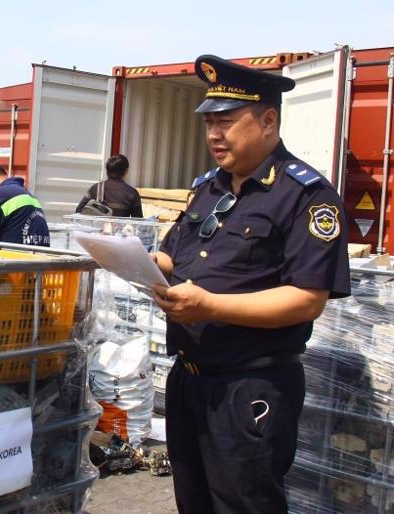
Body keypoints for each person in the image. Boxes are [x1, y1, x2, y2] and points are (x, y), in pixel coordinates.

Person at [151, 55, 350, 513]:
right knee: (194, 501)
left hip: (250, 387)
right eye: (209, 124)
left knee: (245, 503)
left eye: (226, 122)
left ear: (267, 120)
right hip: (189, 379)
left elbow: (307, 299)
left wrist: (211, 307)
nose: (214, 135)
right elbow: (172, 256)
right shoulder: (210, 187)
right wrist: (130, 262)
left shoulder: (305, 195)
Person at [75, 154, 143, 217]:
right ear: (126, 171)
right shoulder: (132, 193)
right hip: (119, 230)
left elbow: (78, 211)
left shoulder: (95, 188)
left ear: (107, 171)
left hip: (97, 229)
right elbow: (138, 220)